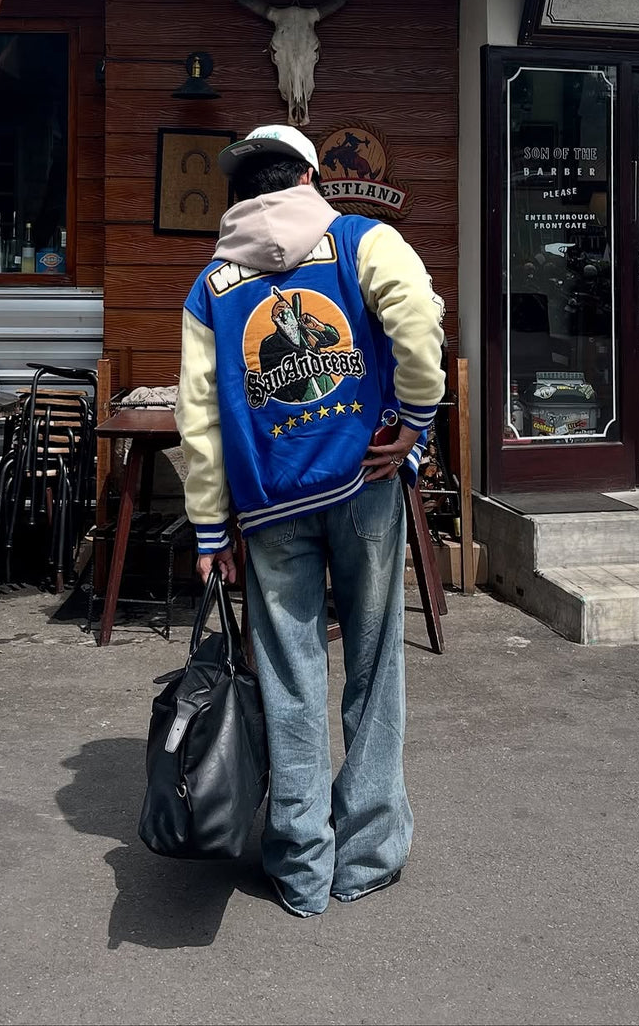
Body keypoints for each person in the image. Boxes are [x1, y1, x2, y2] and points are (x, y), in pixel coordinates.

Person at [175, 124, 445, 917]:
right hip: (362, 482)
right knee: (373, 667)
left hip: (267, 506)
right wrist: (417, 419)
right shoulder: (363, 240)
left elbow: (199, 420)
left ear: (239, 194)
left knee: (290, 680)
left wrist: (208, 530)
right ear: (307, 177)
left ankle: (299, 869)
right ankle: (365, 857)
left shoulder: (211, 287)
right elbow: (419, 325)